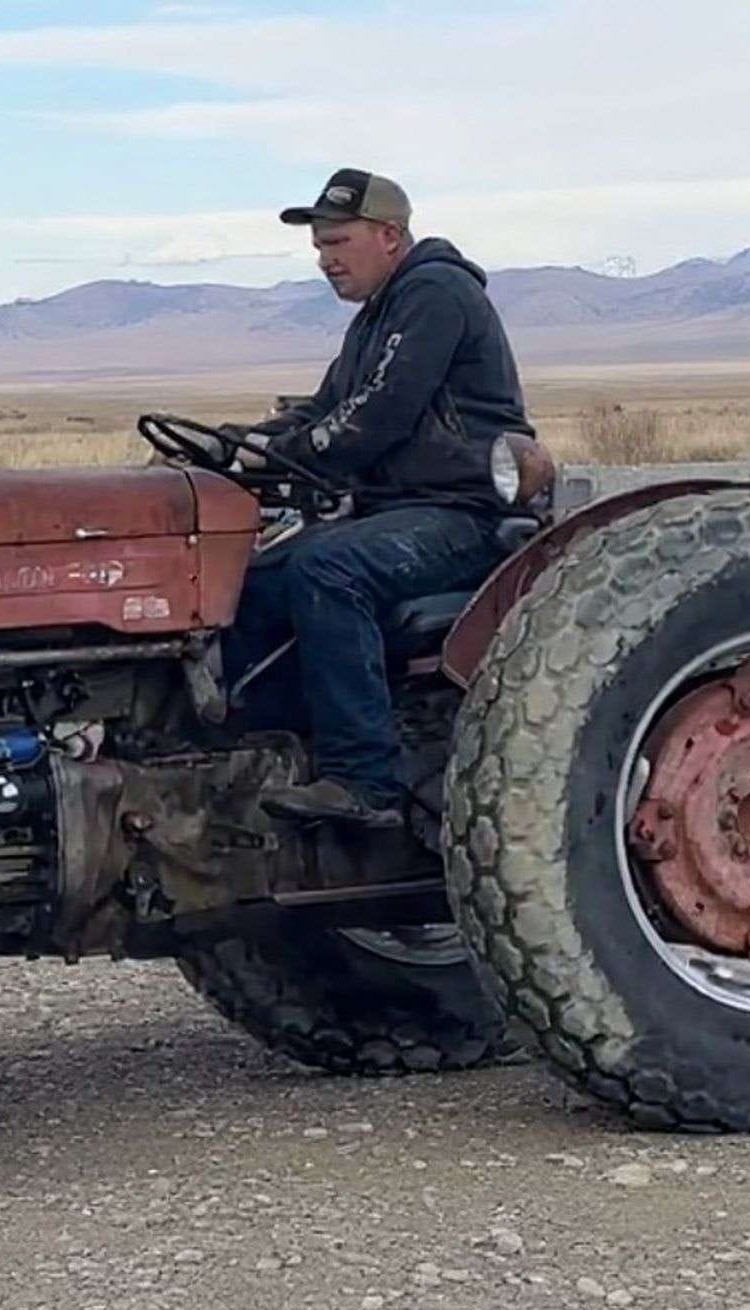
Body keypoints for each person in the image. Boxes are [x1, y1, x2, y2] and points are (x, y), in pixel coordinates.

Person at [221, 168, 541, 827]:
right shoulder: (376, 317)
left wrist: (292, 452)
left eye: (337, 242)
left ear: (389, 235)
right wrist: (239, 444)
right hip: (401, 513)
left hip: (465, 513)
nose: (325, 260)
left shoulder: (435, 292)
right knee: (251, 582)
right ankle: (261, 754)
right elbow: (326, 407)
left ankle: (365, 780)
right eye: (319, 247)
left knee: (327, 569)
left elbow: (376, 415)